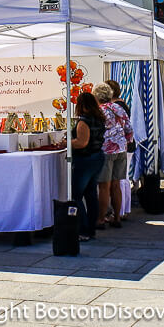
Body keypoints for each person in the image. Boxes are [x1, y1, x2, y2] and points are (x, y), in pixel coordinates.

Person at [93, 82, 133, 229]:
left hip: (106, 150)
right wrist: (125, 142)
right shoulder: (118, 107)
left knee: (104, 186)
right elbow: (129, 128)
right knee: (116, 185)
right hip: (121, 149)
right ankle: (116, 217)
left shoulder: (98, 110)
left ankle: (101, 219)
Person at [70, 92, 106, 242]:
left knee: (77, 196)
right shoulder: (98, 119)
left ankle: (83, 230)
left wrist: (67, 143)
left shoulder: (83, 121)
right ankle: (91, 228)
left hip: (85, 159)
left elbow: (82, 142)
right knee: (91, 195)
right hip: (97, 157)